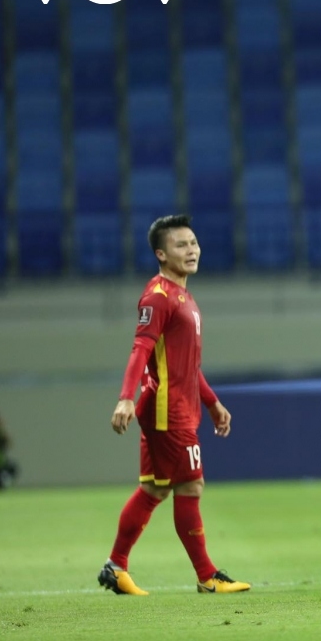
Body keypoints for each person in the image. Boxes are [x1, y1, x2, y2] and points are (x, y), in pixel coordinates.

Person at [100, 215, 249, 596]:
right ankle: (207, 575)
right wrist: (124, 398)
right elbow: (141, 349)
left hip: (179, 406)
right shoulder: (158, 297)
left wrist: (212, 403)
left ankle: (116, 567)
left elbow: (187, 364)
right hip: (168, 409)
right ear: (161, 254)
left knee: (154, 490)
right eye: (181, 245)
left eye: (194, 243)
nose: (192, 250)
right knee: (190, 486)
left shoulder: (184, 297)